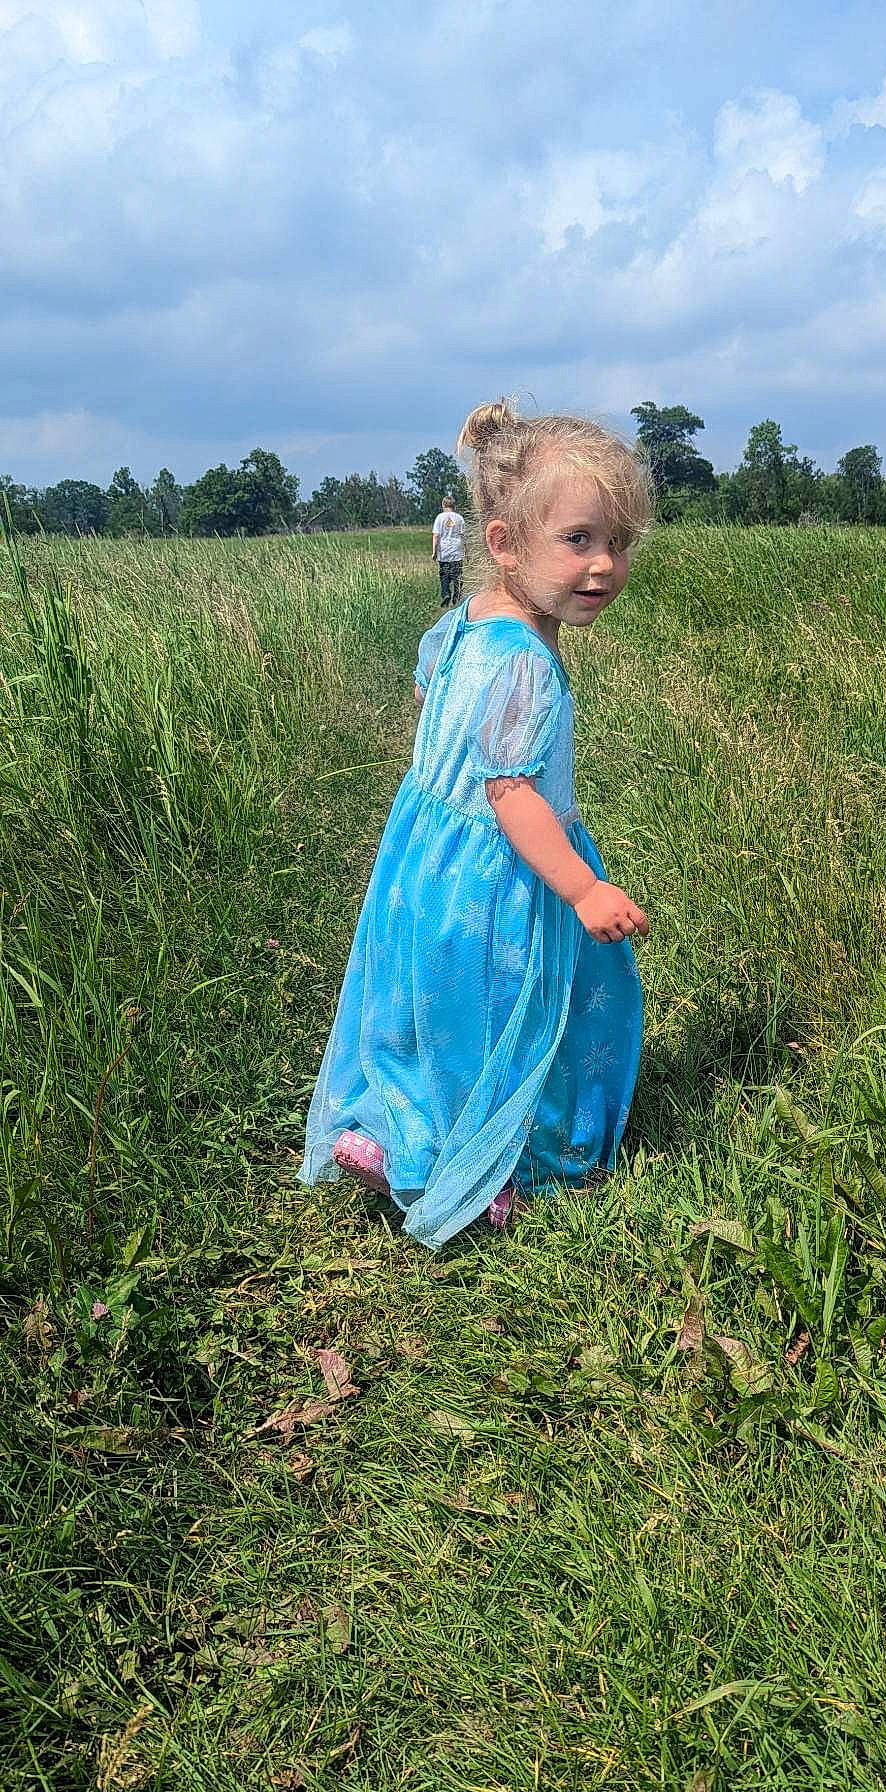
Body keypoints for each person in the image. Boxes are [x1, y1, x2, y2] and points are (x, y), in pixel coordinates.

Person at [299, 398, 652, 1245]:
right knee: (516, 1012)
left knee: (434, 1011)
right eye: (579, 540)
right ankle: (497, 1168)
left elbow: (428, 691)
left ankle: (396, 1132)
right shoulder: (526, 664)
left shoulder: (463, 623)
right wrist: (583, 888)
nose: (604, 564)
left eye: (619, 542)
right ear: (504, 543)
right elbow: (513, 793)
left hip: (424, 854)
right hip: (503, 869)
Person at [431, 492, 466, 606]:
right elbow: (463, 536)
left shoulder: (439, 518)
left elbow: (436, 536)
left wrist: (434, 552)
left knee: (444, 575)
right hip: (457, 550)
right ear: (454, 506)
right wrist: (467, 552)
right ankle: (457, 596)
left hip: (444, 551)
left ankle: (446, 594)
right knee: (457, 575)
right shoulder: (459, 518)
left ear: (443, 505)